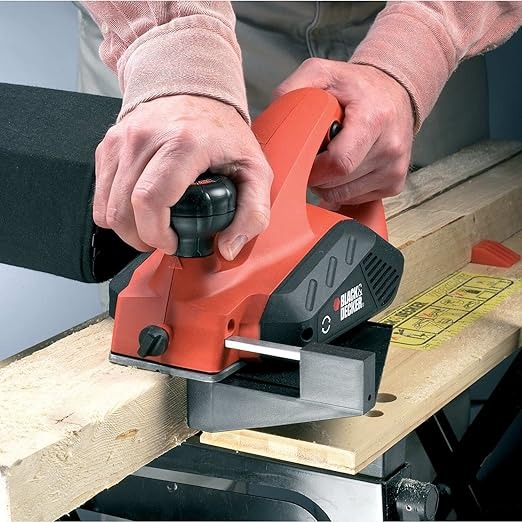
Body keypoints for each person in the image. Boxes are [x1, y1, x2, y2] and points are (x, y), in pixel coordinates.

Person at [81, 1, 522, 260]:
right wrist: (175, 53)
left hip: (420, 14)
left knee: (425, 264)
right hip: (168, 20)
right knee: (156, 211)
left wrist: (415, 51)